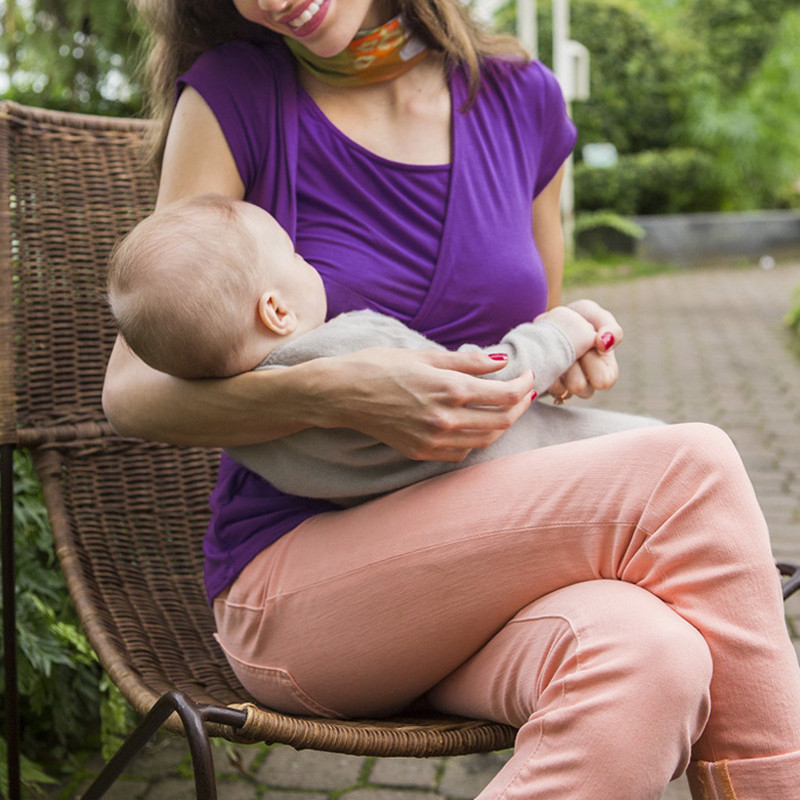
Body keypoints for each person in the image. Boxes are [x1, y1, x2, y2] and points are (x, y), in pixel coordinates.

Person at [102, 1, 800, 797]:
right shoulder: (236, 97)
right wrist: (333, 393)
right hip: (302, 588)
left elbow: (529, 333)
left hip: (478, 564)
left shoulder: (524, 99)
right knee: (690, 471)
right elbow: (130, 393)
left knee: (652, 657)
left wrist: (565, 355)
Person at [107, 193, 660, 505]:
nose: (308, 264)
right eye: (296, 256)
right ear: (276, 311)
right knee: (673, 452)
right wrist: (563, 332)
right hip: (533, 466)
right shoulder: (350, 345)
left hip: (432, 513)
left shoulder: (246, 430)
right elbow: (486, 387)